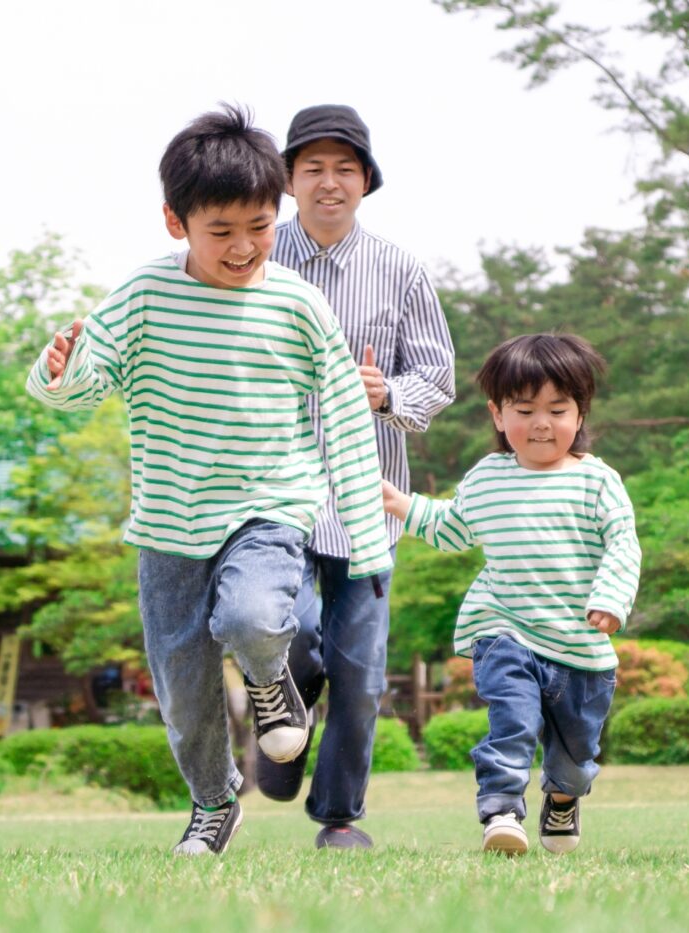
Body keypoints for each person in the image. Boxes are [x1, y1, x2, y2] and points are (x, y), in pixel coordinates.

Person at [26, 104, 392, 856]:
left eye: (259, 226)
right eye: (220, 231)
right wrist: (58, 373)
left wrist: (365, 535)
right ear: (176, 221)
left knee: (255, 617)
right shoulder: (143, 295)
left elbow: (348, 418)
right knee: (184, 688)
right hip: (169, 523)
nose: (244, 247)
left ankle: (270, 679)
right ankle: (215, 801)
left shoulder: (298, 303)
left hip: (268, 505)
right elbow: (85, 382)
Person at [255, 104, 455, 851]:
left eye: (345, 168)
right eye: (313, 168)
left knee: (362, 672)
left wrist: (387, 393)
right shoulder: (253, 258)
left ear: (366, 181)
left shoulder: (401, 269)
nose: (329, 182)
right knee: (293, 632)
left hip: (366, 501)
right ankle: (284, 723)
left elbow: (437, 377)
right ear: (288, 180)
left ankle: (339, 816)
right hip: (272, 492)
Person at [381, 334, 641, 856]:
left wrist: (611, 599)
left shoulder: (598, 481)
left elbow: (623, 543)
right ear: (498, 415)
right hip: (505, 631)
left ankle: (562, 798)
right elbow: (453, 527)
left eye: (557, 410)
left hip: (579, 648)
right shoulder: (487, 478)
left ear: (580, 413)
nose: (541, 423)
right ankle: (501, 811)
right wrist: (400, 503)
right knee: (512, 722)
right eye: (524, 410)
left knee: (577, 757)